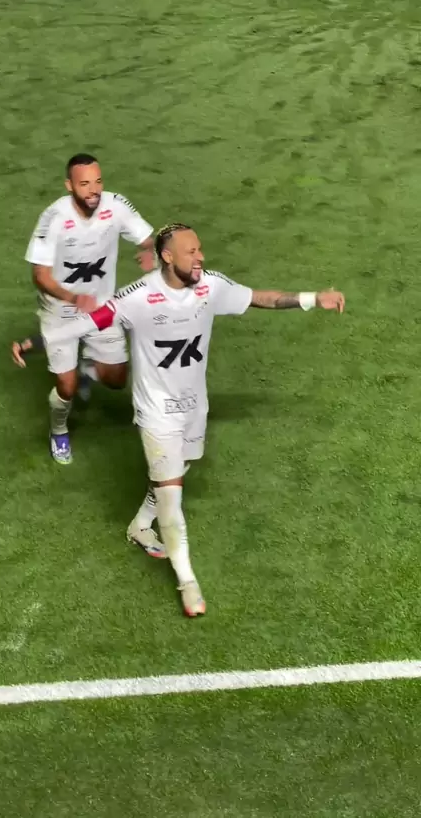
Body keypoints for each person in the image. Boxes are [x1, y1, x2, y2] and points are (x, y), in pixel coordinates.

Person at [44, 223, 345, 617]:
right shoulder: (140, 296)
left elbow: (260, 298)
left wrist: (313, 298)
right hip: (156, 411)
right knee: (172, 496)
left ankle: (139, 525)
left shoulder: (210, 286)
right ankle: (187, 581)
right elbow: (93, 320)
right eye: (191, 251)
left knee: (180, 469)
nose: (200, 256)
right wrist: (40, 341)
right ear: (168, 257)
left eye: (200, 249)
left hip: (193, 406)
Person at [24, 152, 155, 465]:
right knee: (66, 387)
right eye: (84, 184)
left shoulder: (116, 205)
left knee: (117, 379)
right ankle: (59, 431)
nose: (94, 189)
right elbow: (40, 276)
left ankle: (86, 369)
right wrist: (72, 298)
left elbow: (148, 238)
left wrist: (149, 251)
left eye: (98, 181)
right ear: (69, 185)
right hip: (61, 310)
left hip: (100, 307)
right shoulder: (53, 218)